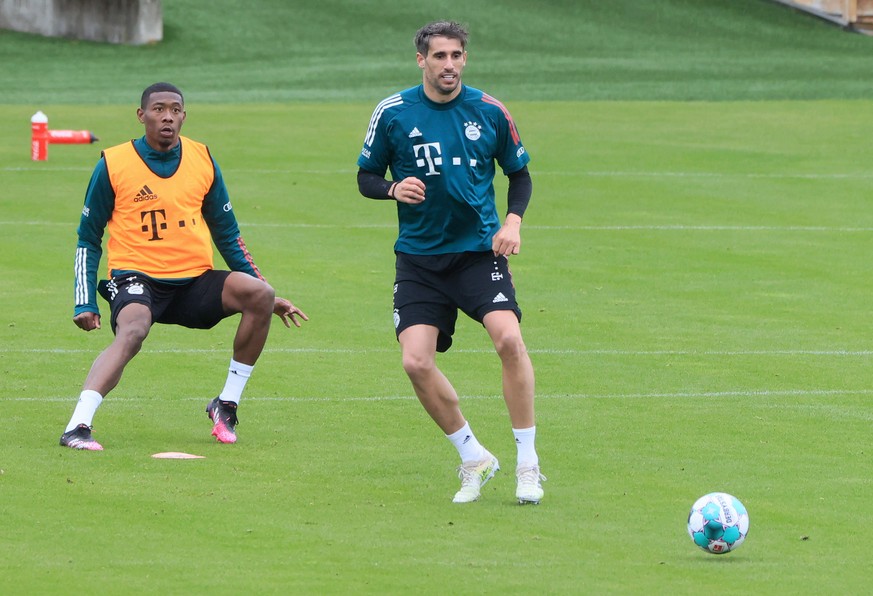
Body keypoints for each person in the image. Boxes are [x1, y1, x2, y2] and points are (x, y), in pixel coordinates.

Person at [61, 82, 308, 451]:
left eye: (175, 109)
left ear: (184, 116)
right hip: (136, 277)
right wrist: (84, 302)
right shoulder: (113, 163)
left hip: (194, 281)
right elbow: (88, 237)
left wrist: (264, 288)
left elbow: (228, 233)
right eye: (159, 109)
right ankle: (78, 425)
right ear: (141, 115)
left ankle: (225, 405)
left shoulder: (202, 158)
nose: (168, 117)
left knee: (260, 294)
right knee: (133, 330)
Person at [356, 22, 545, 504]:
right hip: (419, 260)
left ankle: (528, 464)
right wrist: (393, 188)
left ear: (466, 58)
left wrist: (513, 223)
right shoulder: (394, 112)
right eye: (439, 56)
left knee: (509, 338)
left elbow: (519, 175)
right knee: (416, 361)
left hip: (479, 254)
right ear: (421, 60)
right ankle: (474, 456)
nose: (449, 65)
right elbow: (366, 176)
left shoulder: (490, 111)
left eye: (456, 55)